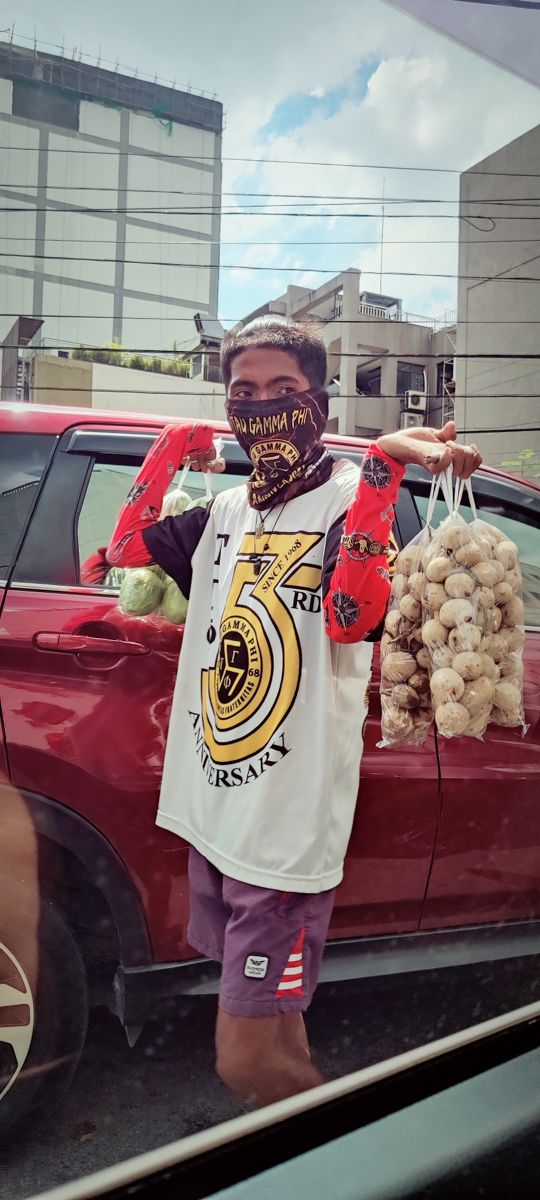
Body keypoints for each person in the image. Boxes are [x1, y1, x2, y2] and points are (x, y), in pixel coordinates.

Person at [105, 317, 482, 1107]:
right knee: (278, 1039)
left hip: (282, 838)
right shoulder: (225, 512)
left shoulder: (347, 497)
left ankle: (341, 1156)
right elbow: (130, 548)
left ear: (320, 399)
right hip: (216, 812)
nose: (264, 407)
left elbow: (350, 615)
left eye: (285, 390)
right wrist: (174, 444)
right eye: (245, 392)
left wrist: (381, 468)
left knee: (245, 1062)